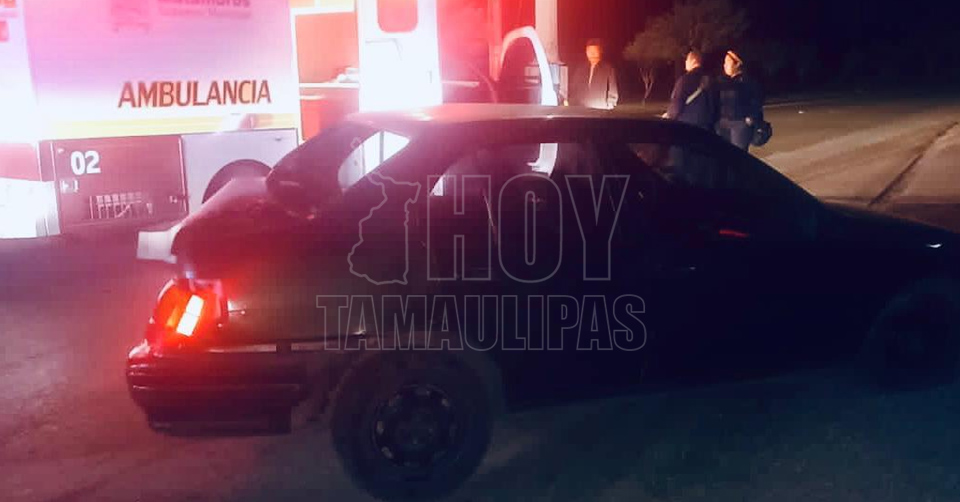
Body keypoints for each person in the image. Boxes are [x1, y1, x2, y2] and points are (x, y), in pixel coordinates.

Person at [716, 50, 765, 150]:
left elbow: (757, 101)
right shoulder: (722, 81)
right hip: (723, 123)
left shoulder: (748, 82)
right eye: (724, 62)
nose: (724, 65)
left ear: (737, 64)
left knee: (738, 155)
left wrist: (751, 117)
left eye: (727, 62)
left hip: (739, 124)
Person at [664, 50, 718, 130]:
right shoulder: (711, 80)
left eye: (687, 60)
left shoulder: (685, 80)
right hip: (707, 126)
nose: (685, 62)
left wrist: (669, 115)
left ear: (693, 61)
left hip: (688, 126)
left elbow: (676, 105)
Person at [570, 39, 619, 110]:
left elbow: (613, 89)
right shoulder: (581, 69)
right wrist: (573, 102)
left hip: (600, 108)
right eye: (589, 51)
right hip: (582, 108)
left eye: (595, 51)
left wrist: (610, 104)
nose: (592, 54)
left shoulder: (608, 69)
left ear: (600, 51)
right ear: (586, 52)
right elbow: (574, 87)